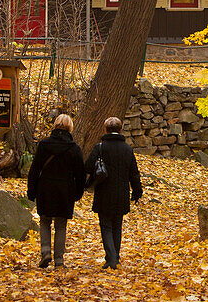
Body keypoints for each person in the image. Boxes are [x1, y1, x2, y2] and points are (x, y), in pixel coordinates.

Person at [27, 113, 86, 269]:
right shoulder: (74, 148)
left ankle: (45, 252)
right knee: (61, 225)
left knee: (45, 221)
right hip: (65, 190)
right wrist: (78, 192)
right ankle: (59, 260)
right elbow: (80, 173)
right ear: (70, 128)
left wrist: (31, 192)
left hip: (45, 188)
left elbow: (34, 170)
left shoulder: (44, 145)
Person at [86, 116, 142, 269]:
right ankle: (115, 257)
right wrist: (137, 191)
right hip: (122, 192)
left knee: (105, 226)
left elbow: (88, 166)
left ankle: (110, 258)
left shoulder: (100, 148)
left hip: (104, 191)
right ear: (120, 129)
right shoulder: (127, 149)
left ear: (105, 129)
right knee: (117, 226)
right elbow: (134, 173)